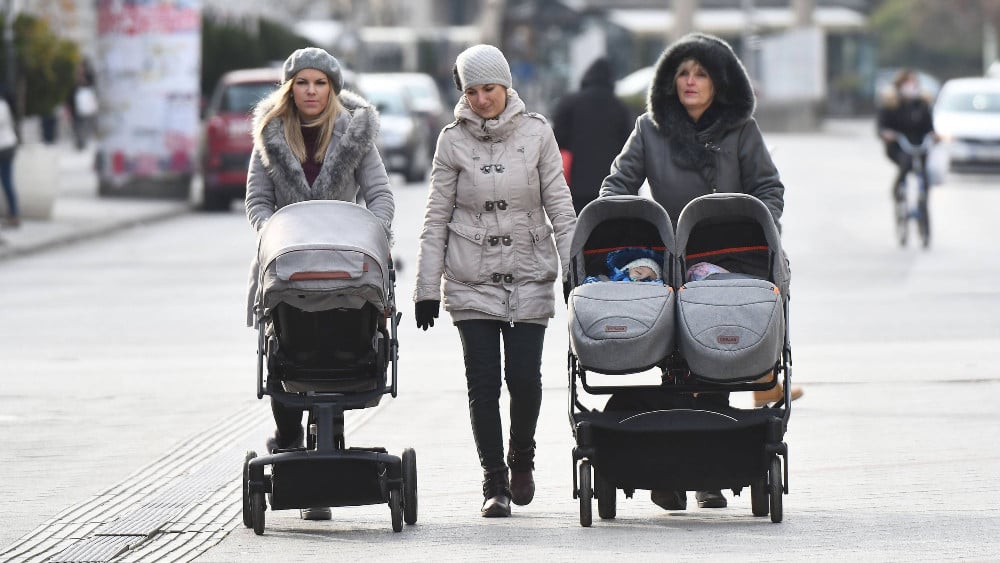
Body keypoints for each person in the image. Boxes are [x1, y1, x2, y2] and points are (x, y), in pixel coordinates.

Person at [599, 32, 801, 511]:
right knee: (673, 365)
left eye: (701, 73)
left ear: (719, 81)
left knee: (715, 359)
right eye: (682, 73)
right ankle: (666, 467)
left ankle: (713, 469)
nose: (690, 81)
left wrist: (757, 226)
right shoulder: (649, 129)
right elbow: (616, 186)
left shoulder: (740, 131)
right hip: (670, 262)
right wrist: (637, 236)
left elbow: (769, 188)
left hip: (733, 260)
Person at [413, 44, 576, 518]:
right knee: (483, 383)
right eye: (472, 91)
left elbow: (561, 210)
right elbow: (435, 218)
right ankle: (494, 482)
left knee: (524, 379)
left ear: (506, 85)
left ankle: (520, 458)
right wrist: (426, 289)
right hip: (470, 277)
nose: (482, 99)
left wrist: (575, 274)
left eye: (489, 88)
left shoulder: (537, 134)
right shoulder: (451, 141)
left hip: (528, 273)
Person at [244, 47, 395, 521]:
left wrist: (373, 236)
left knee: (343, 353)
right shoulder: (271, 135)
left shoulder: (355, 135)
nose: (311, 92)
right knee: (287, 353)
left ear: (333, 88)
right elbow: (257, 200)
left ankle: (329, 452)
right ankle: (290, 439)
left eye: (320, 83)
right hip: (290, 270)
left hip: (346, 267)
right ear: (290, 88)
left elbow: (380, 195)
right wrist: (274, 237)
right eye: (302, 83)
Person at [552, 57, 633, 214]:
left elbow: (557, 140)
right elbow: (628, 147)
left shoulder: (570, 103)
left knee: (579, 230)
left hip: (576, 183)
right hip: (610, 186)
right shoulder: (620, 108)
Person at [876, 69, 936, 199]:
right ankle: (897, 189)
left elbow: (929, 127)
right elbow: (881, 127)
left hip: (919, 144)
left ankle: (924, 202)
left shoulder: (921, 105)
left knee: (925, 171)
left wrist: (934, 135)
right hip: (899, 145)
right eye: (907, 83)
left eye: (914, 83)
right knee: (906, 162)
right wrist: (887, 134)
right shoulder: (891, 104)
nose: (911, 87)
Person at [0, 86, 19, 229]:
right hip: (8, 145)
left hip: (4, 148)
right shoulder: (4, 105)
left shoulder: (1, 106)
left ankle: (13, 214)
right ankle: (12, 213)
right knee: (7, 181)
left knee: (6, 181)